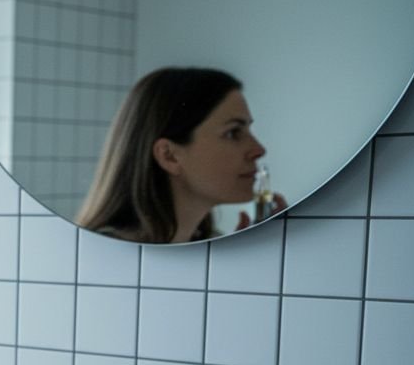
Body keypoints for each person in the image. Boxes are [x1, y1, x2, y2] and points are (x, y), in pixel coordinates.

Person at [77, 67, 287, 244]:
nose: (259, 149)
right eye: (233, 133)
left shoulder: (211, 249)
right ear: (169, 156)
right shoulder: (101, 255)